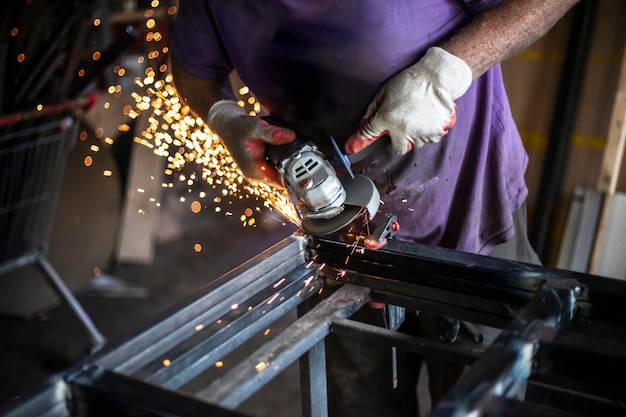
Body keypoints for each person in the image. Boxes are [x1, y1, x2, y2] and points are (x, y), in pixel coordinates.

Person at [170, 1, 579, 415]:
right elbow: (193, 69)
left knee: (482, 398)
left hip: (469, 209)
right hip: (337, 239)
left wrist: (445, 72)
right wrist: (224, 117)